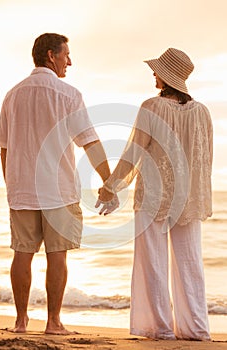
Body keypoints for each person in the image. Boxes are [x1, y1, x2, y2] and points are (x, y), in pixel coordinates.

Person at [0, 33, 116, 334]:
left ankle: (21, 321)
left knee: (21, 253)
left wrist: (11, 182)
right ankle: (53, 322)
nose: (70, 61)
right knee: (57, 256)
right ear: (51, 55)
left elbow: (4, 147)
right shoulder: (68, 95)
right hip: (59, 191)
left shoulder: (12, 95)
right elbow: (90, 142)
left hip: (21, 189)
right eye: (66, 55)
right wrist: (108, 181)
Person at [96, 48, 213, 340]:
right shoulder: (203, 112)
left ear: (168, 76)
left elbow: (134, 152)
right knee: (190, 263)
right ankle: (196, 329)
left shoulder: (151, 107)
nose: (154, 74)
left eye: (158, 70)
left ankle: (161, 329)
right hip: (189, 198)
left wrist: (111, 186)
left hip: (153, 196)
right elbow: (205, 159)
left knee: (154, 262)